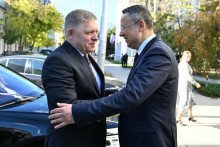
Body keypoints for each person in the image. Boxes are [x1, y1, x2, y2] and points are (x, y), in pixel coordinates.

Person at [49, 5, 179, 147]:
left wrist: (77, 112)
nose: (121, 33)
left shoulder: (158, 53)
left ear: (141, 25)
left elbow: (132, 95)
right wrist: (115, 94)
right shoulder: (61, 59)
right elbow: (68, 104)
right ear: (70, 33)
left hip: (151, 140)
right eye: (89, 32)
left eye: (124, 27)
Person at [42, 9, 110, 147]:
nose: (96, 37)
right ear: (70, 34)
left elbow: (93, 93)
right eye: (89, 32)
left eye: (96, 32)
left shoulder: (85, 56)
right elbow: (66, 107)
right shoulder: (58, 60)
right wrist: (113, 103)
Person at [177, 51, 201, 126]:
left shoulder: (186, 64)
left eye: (189, 56)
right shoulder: (183, 64)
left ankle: (190, 116)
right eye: (187, 56)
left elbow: (189, 74)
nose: (188, 58)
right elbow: (187, 76)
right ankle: (179, 119)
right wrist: (195, 83)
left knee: (190, 100)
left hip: (187, 86)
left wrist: (192, 74)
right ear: (183, 56)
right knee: (183, 101)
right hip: (183, 85)